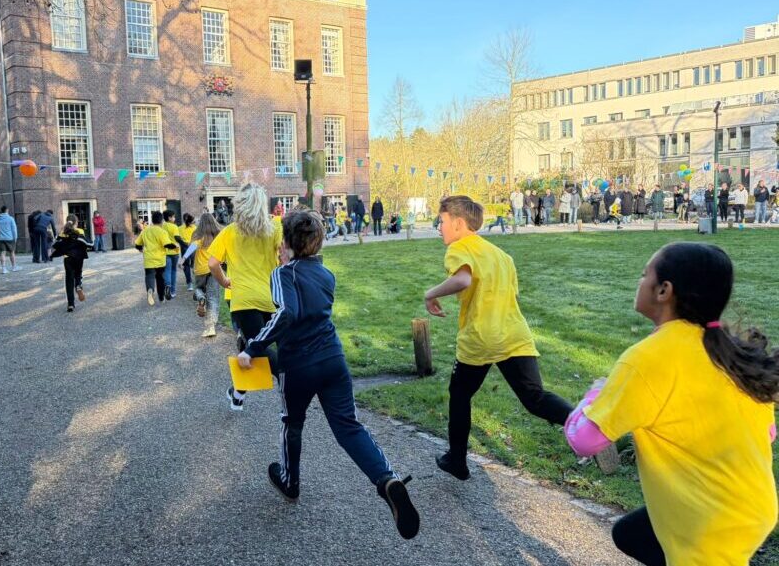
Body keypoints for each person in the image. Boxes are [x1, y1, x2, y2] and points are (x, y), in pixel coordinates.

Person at [563, 242, 777, 565]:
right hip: (752, 503)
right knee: (631, 535)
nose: (639, 282)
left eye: (643, 274)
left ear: (664, 290)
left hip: (709, 521)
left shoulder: (648, 359)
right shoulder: (731, 353)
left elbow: (584, 440)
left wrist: (594, 395)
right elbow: (769, 433)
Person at [239, 210, 420, 540]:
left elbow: (287, 312)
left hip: (298, 365)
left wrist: (253, 347)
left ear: (287, 242)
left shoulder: (282, 273)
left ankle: (290, 482)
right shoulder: (326, 274)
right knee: (349, 426)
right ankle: (386, 479)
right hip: (333, 359)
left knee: (292, 422)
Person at [424, 196, 572, 481]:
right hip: (515, 336)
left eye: (441, 221)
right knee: (535, 398)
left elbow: (463, 280)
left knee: (460, 395)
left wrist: (430, 294)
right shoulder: (502, 256)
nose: (439, 227)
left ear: (458, 224)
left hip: (480, 339)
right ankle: (585, 425)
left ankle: (457, 460)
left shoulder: (458, 248)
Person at [208, 183, 282, 411]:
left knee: (255, 348)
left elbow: (213, 263)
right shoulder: (275, 227)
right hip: (272, 297)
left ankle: (241, 390)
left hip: (243, 300)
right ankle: (241, 392)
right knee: (256, 347)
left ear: (239, 204)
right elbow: (284, 257)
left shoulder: (230, 232)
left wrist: (224, 281)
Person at [182, 213, 222, 337]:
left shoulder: (198, 235)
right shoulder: (218, 235)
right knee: (213, 298)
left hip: (200, 270)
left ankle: (201, 298)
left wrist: (183, 259)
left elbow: (193, 246)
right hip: (214, 269)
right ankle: (211, 327)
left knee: (198, 289)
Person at [50, 215, 92, 313]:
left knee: (69, 279)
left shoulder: (63, 232)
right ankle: (78, 285)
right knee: (78, 274)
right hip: (79, 258)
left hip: (68, 258)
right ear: (76, 222)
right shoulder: (80, 231)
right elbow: (88, 243)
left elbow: (55, 244)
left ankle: (70, 304)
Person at [134, 210, 175, 305]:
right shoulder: (162, 232)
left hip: (148, 260)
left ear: (152, 220)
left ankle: (150, 290)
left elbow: (137, 244)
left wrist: (140, 249)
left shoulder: (145, 231)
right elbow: (167, 244)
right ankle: (161, 298)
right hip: (160, 260)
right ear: (161, 221)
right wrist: (175, 246)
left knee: (149, 276)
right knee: (160, 279)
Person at [162, 210, 184, 298]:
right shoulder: (174, 226)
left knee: (167, 271)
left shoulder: (162, 226)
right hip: (174, 252)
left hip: (165, 252)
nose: (174, 218)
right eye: (173, 216)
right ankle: (172, 291)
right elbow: (177, 238)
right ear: (169, 217)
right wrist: (185, 244)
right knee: (173, 271)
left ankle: (167, 286)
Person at [0, 205, 20, 274]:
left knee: (2, 253)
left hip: (1, 238)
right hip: (10, 238)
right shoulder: (10, 218)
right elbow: (14, 229)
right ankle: (14, 267)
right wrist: (15, 238)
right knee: (12, 252)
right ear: (7, 210)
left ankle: (4, 269)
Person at [179, 213, 196, 292]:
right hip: (192, 247)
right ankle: (192, 282)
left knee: (186, 265)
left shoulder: (179, 228)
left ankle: (189, 283)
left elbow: (178, 238)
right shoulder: (194, 227)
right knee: (192, 264)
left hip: (185, 247)